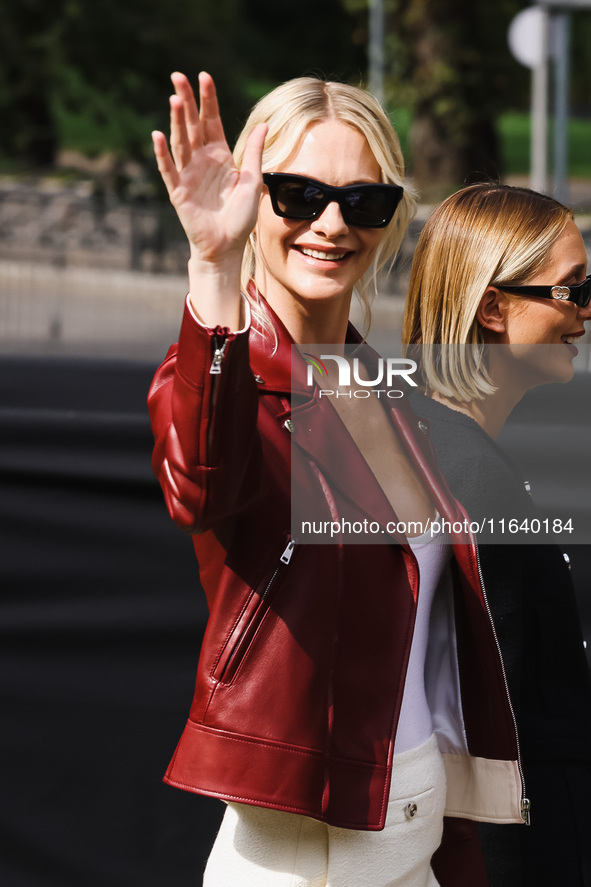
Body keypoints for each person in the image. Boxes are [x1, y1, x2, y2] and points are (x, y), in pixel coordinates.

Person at [147, 73, 527, 887]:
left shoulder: (386, 390)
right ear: (252, 200)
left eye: (361, 201)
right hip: (306, 856)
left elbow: (425, 658)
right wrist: (213, 265)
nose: (330, 223)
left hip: (415, 834)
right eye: (297, 194)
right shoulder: (218, 374)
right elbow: (198, 486)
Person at [402, 182, 591, 887]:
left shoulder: (442, 446)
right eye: (570, 290)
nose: (585, 310)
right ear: (490, 305)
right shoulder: (464, 471)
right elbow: (486, 722)